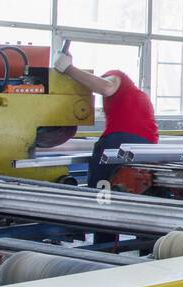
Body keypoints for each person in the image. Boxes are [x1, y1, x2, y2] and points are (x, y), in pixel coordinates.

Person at [54, 47, 159, 188]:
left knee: (100, 190)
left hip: (120, 142)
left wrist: (69, 69)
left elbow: (105, 88)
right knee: (133, 189)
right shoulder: (137, 97)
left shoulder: (117, 76)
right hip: (149, 147)